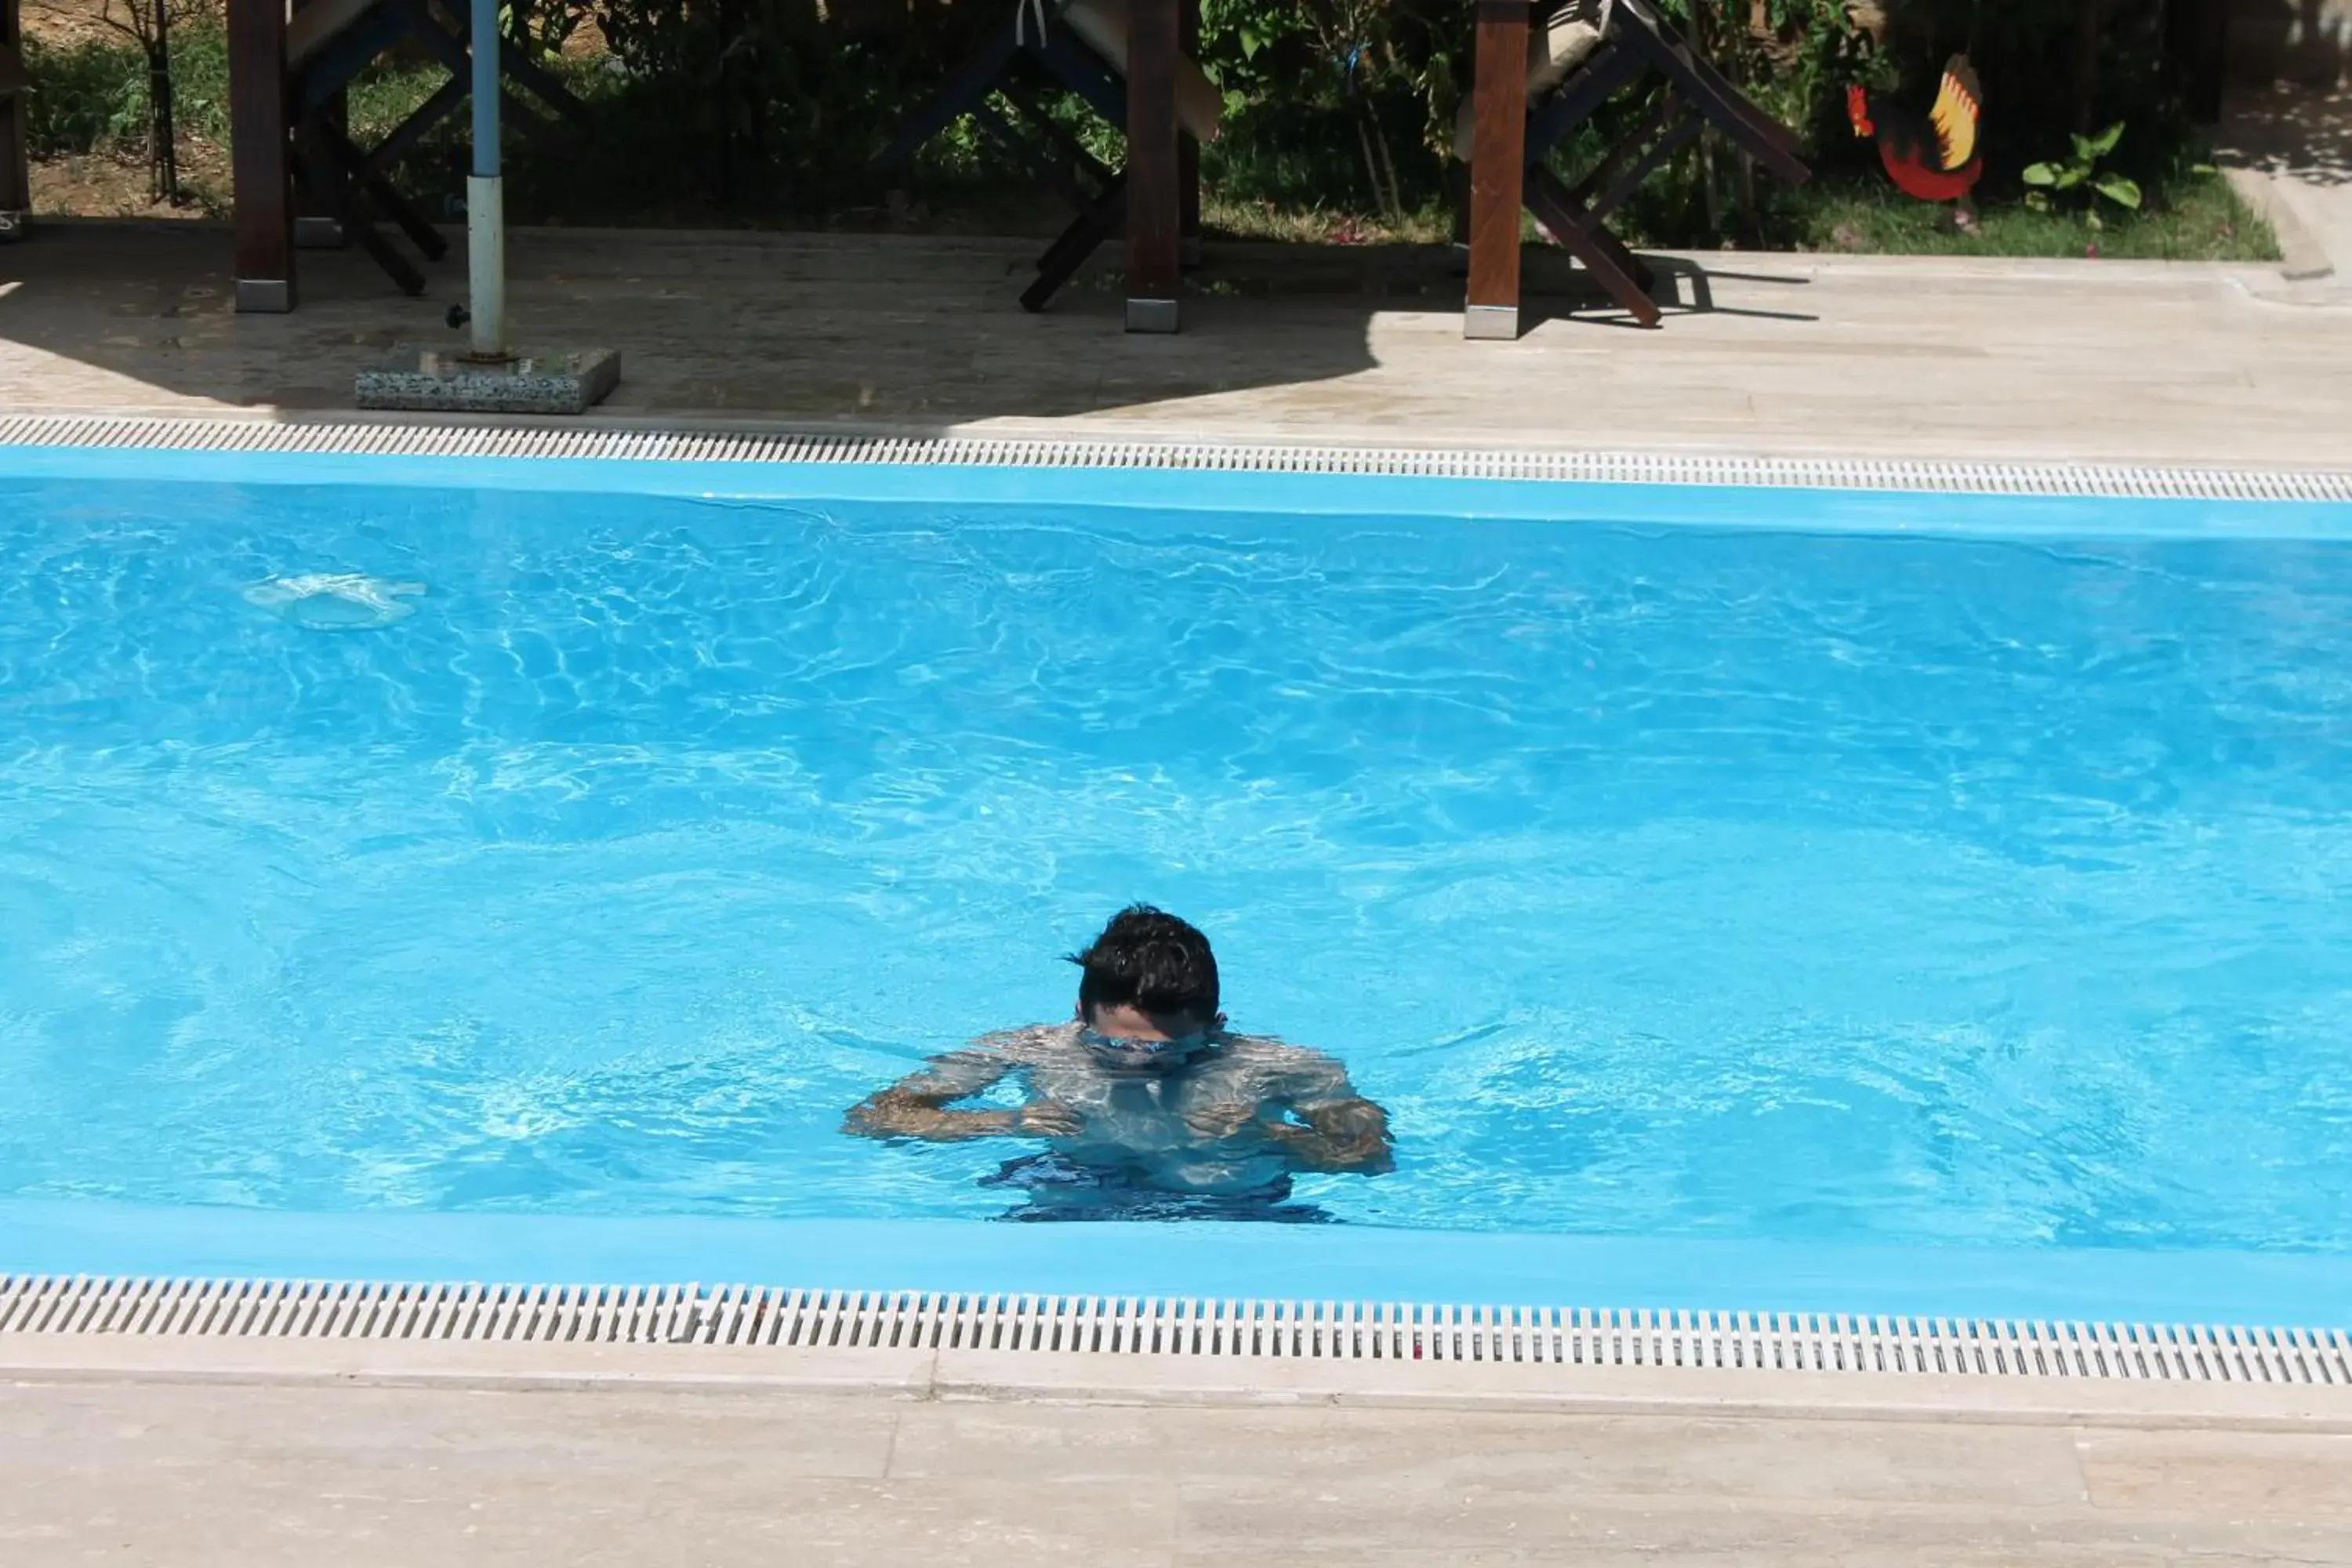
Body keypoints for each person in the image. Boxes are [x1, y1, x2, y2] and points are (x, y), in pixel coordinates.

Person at [844, 905, 1392, 1221]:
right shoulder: (1028, 1050)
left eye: (1161, 1050)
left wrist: (1268, 1136)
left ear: (1214, 1026)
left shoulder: (1279, 1067)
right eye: (1111, 1045)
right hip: (1078, 1183)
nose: (1133, 1062)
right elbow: (873, 1117)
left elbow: (1369, 1157)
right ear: (1080, 1013)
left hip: (1226, 1202)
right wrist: (1003, 1123)